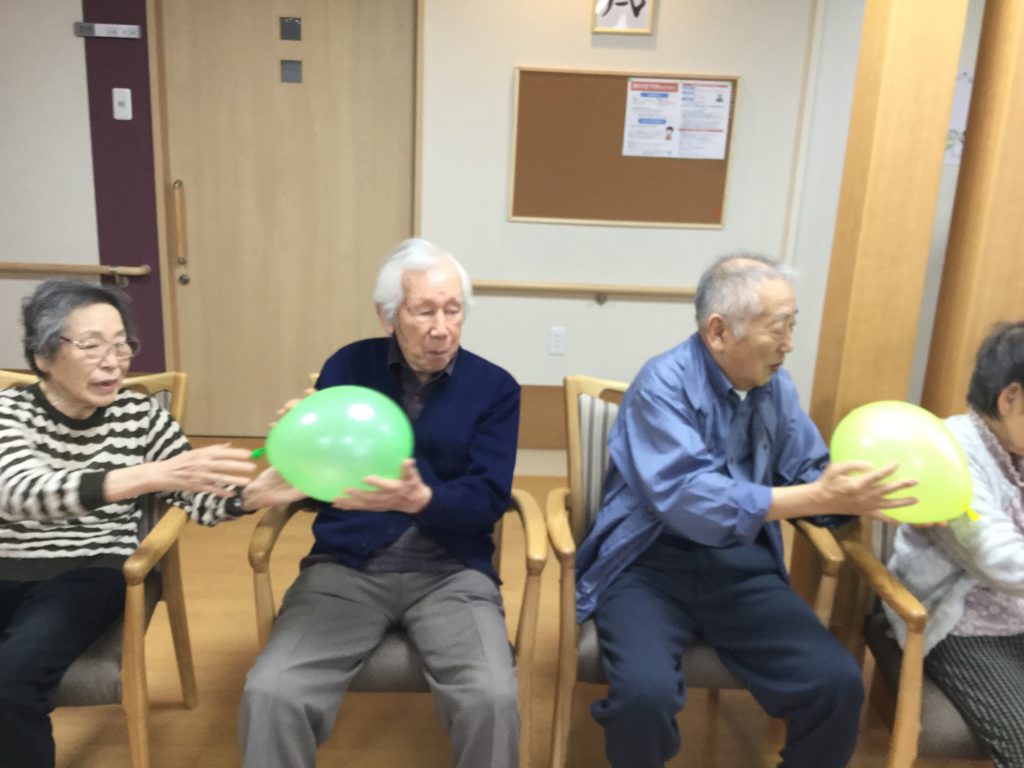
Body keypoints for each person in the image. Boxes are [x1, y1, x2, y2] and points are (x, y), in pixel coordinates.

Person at [575, 254, 918, 768]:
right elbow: (689, 497)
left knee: (838, 684)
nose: (789, 344)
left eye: (793, 325)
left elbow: (808, 471)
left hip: (739, 566)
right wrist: (816, 497)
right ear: (718, 331)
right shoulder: (661, 384)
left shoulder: (776, 390)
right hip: (647, 566)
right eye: (778, 327)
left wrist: (859, 495)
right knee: (643, 698)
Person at [239, 238, 521, 768]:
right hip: (346, 566)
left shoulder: (496, 388)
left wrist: (422, 499)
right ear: (388, 314)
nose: (442, 328)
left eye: (453, 310)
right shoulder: (348, 365)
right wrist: (297, 439)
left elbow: (487, 499)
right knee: (272, 692)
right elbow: (320, 472)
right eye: (424, 311)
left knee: (492, 699)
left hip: (451, 571)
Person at [0, 279, 297, 768]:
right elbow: (21, 494)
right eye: (92, 346)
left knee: (11, 682)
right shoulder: (9, 411)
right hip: (8, 564)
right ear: (43, 356)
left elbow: (195, 498)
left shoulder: (142, 416)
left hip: (87, 569)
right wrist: (150, 474)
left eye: (122, 345)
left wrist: (250, 496)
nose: (114, 362)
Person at [884, 321, 1024, 768]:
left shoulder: (1017, 445)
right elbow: (995, 556)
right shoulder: (947, 453)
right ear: (1010, 398)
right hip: (960, 622)